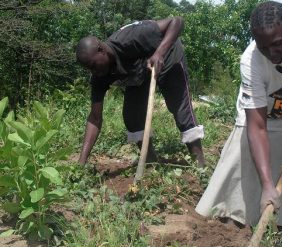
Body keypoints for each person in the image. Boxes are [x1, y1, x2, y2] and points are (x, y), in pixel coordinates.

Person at [196, 1, 282, 232]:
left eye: (278, 44)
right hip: (261, 111)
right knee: (246, 151)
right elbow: (257, 127)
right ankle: (240, 216)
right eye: (263, 46)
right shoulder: (251, 60)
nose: (272, 53)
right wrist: (268, 184)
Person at [75, 17, 205, 168]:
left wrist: (160, 52)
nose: (93, 71)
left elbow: (177, 22)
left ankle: (200, 165)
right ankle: (150, 161)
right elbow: (95, 118)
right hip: (141, 70)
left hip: (167, 53)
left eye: (93, 65)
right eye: (89, 69)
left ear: (101, 50)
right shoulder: (99, 75)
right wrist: (81, 163)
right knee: (133, 117)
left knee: (180, 107)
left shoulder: (131, 37)